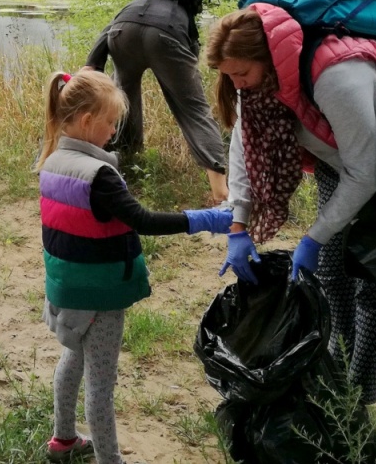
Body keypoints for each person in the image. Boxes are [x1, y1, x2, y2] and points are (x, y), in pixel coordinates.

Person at [205, 3, 376, 405]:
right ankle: (335, 380)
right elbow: (242, 143)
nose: (238, 84)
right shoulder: (256, 82)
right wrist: (238, 224)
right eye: (229, 75)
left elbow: (365, 174)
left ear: (269, 60)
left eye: (241, 74)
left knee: (375, 286)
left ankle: (358, 403)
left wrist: (313, 237)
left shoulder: (337, 77)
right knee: (331, 276)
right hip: (336, 160)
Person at [36, 69, 233, 463]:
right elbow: (141, 220)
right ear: (89, 121)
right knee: (100, 384)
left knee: (72, 357)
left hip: (65, 285)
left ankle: (63, 439)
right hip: (101, 293)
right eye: (109, 122)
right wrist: (203, 220)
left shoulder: (53, 159)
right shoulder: (99, 175)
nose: (112, 131)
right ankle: (111, 460)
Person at [81, 0, 228, 204]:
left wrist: (92, 63)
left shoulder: (140, 1)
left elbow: (110, 26)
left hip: (122, 34)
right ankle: (220, 190)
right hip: (165, 37)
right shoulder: (181, 11)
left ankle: (126, 155)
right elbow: (192, 52)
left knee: (122, 97)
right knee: (194, 110)